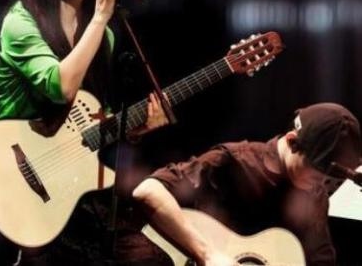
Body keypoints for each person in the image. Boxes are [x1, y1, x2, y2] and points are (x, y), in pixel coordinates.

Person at [0, 0, 168, 265]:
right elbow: (60, 88)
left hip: (73, 186)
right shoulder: (20, 22)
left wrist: (130, 127)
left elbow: (86, 116)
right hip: (17, 181)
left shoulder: (104, 36)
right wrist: (101, 16)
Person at [132, 102, 362, 266]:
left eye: (329, 177)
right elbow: (148, 190)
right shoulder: (235, 161)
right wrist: (207, 254)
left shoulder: (315, 195)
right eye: (317, 170)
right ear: (292, 141)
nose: (322, 182)